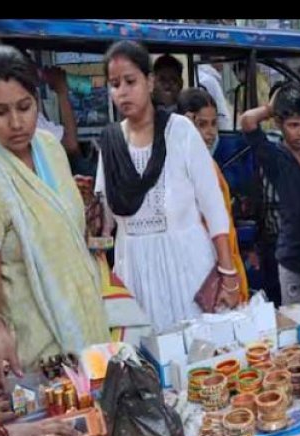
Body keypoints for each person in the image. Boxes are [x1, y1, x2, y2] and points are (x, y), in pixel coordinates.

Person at [96, 41, 237, 332]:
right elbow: (105, 221)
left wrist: (228, 273)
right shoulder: (110, 143)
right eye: (115, 84)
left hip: (188, 269)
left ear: (149, 82)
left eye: (130, 81)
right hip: (135, 272)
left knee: (199, 359)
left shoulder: (180, 131)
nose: (122, 91)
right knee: (146, 364)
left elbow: (214, 208)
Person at [0, 45, 109, 384]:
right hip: (36, 342)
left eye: (24, 107)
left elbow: (65, 228)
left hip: (87, 319)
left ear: (37, 101)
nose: (16, 123)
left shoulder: (50, 147)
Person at [239, 83, 300, 307]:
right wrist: (271, 107)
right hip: (291, 256)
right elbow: (247, 121)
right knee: (296, 322)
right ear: (278, 124)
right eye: (293, 125)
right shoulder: (275, 157)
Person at [177, 88, 248, 304]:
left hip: (224, 257)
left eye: (213, 124)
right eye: (202, 124)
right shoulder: (181, 168)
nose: (210, 133)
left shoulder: (210, 163)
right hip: (202, 264)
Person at [198, 62, 233, 132]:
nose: (224, 62)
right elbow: (222, 118)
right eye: (222, 54)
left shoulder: (200, 75)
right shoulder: (209, 81)